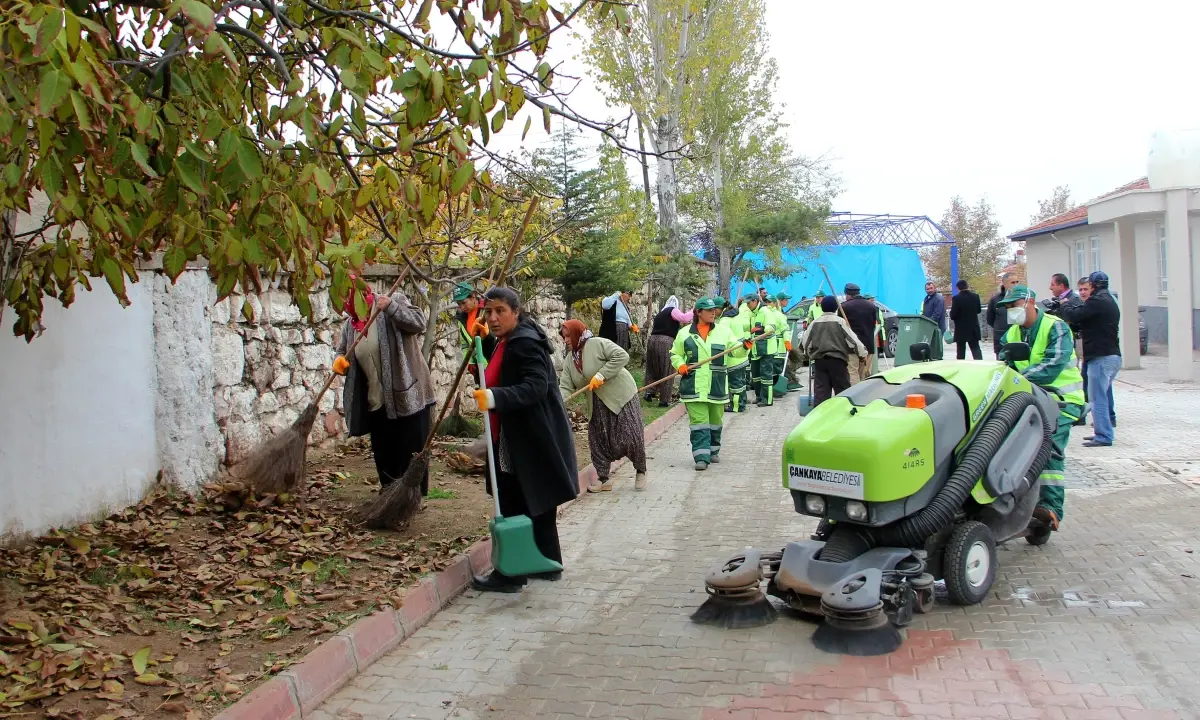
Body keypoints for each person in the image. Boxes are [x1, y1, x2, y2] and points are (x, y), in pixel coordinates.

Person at [470, 287, 580, 592]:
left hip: (524, 435)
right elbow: (502, 370)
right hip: (524, 432)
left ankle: (511, 574)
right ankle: (547, 564)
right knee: (535, 498)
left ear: (516, 312)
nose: (492, 317)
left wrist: (495, 396)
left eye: (500, 311)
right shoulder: (509, 339)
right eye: (488, 311)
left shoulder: (523, 345)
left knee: (513, 500)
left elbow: (535, 387)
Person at [996, 285, 1085, 532]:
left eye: (1013, 306)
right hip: (1030, 399)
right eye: (1007, 308)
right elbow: (1005, 366)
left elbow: (1052, 365)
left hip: (1062, 400)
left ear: (1030, 302)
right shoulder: (1011, 335)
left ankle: (1050, 508)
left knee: (1049, 445)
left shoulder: (1055, 327)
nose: (1011, 311)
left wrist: (1017, 380)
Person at [333, 285, 436, 494]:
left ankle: (410, 500)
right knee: (385, 455)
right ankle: (390, 499)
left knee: (411, 453)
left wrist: (391, 308)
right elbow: (342, 351)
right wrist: (339, 361)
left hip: (408, 396)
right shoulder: (350, 326)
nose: (344, 306)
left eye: (346, 298)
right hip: (376, 401)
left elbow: (419, 323)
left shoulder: (390, 300)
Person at [558, 320, 649, 492]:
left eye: (568, 336)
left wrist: (602, 374)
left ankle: (640, 470)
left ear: (578, 333)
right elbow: (565, 387)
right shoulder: (570, 360)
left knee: (630, 435)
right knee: (598, 439)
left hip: (621, 395)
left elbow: (622, 356)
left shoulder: (597, 343)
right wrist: (556, 403)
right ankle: (603, 479)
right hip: (596, 403)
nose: (566, 340)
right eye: (564, 337)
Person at [672, 297, 735, 470]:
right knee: (699, 422)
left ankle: (713, 450)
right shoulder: (684, 333)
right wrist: (681, 365)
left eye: (714, 310)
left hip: (716, 385)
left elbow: (735, 352)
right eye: (709, 310)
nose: (713, 313)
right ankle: (701, 457)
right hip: (693, 386)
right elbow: (675, 354)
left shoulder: (723, 332)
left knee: (715, 421)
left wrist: (745, 346)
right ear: (698, 312)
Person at [1058, 270, 1120, 447]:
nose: (1085, 291)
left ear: (1093, 285)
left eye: (1087, 287)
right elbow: (1085, 321)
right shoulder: (1109, 300)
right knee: (1103, 395)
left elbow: (1075, 315)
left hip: (1100, 356)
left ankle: (1104, 436)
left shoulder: (1097, 301)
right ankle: (1104, 432)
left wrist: (1065, 304)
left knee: (1097, 398)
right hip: (1111, 355)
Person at [801, 295, 869, 406]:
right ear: (836, 308)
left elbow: (806, 342)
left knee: (821, 394)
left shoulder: (814, 323)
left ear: (822, 307)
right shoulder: (840, 322)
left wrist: (810, 355)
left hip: (820, 362)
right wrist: (862, 354)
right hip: (838, 362)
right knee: (842, 392)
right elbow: (853, 340)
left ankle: (820, 417)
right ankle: (842, 415)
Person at [644, 295, 691, 407]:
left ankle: (649, 392)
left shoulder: (660, 313)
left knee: (652, 368)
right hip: (665, 341)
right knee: (667, 369)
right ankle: (664, 400)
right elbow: (684, 318)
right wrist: (696, 310)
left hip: (652, 340)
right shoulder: (672, 310)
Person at [453, 282, 494, 374]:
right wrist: (470, 362)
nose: (462, 307)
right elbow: (465, 344)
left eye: (464, 302)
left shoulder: (487, 311)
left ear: (474, 296)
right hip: (479, 366)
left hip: (493, 362)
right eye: (459, 304)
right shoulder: (461, 319)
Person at [840, 283, 877, 383]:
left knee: (852, 372)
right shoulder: (871, 306)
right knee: (865, 373)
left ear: (848, 294)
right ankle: (865, 396)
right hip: (868, 345)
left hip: (851, 346)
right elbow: (873, 325)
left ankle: (854, 396)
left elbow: (841, 328)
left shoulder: (844, 307)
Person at [747, 295, 779, 406]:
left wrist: (761, 329)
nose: (747, 305)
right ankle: (759, 396)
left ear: (755, 301)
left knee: (766, 376)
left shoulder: (766, 311)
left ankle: (767, 400)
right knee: (756, 376)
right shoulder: (753, 313)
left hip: (766, 350)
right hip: (755, 349)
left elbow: (771, 328)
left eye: (749, 303)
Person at [1073, 277, 1093, 426]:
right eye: (1080, 289)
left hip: (1093, 352)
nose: (1082, 292)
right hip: (1084, 348)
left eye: (1085, 289)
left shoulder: (1094, 305)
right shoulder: (1082, 304)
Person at [985, 273, 1019, 358]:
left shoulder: (1021, 299)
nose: (1015, 285)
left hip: (1018, 338)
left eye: (1017, 282)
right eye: (1012, 282)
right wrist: (1000, 327)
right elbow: (990, 319)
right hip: (1000, 337)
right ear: (1004, 284)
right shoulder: (995, 300)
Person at [948, 279, 983, 360]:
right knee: (976, 350)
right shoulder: (975, 296)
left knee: (960, 351)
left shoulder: (956, 299)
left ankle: (961, 367)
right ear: (967, 286)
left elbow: (953, 315)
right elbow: (978, 310)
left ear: (958, 288)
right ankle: (980, 366)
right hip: (973, 328)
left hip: (961, 329)